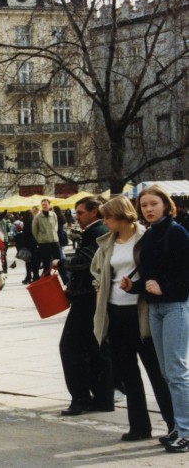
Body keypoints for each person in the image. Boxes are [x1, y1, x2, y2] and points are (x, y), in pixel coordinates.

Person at [91, 196, 174, 441]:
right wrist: (100, 287)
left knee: (156, 372)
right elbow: (97, 269)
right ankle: (139, 427)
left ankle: (175, 425)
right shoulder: (108, 242)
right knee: (128, 372)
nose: (104, 221)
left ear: (120, 216)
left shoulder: (144, 237)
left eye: (107, 217)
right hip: (115, 311)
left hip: (141, 312)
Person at [120, 186, 189, 453]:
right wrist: (133, 287)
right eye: (145, 205)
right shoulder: (150, 235)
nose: (148, 209)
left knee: (177, 372)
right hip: (156, 309)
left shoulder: (177, 233)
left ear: (166, 205)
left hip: (175, 307)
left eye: (154, 204)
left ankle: (185, 430)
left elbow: (183, 274)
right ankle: (178, 427)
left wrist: (165, 289)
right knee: (166, 372)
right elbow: (150, 277)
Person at [58, 196, 113, 416]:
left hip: (88, 298)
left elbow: (86, 263)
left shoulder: (97, 232)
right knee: (95, 347)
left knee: (70, 346)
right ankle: (102, 398)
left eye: (80, 212)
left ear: (94, 212)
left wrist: (62, 262)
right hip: (89, 295)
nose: (76, 217)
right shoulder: (96, 231)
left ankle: (80, 398)